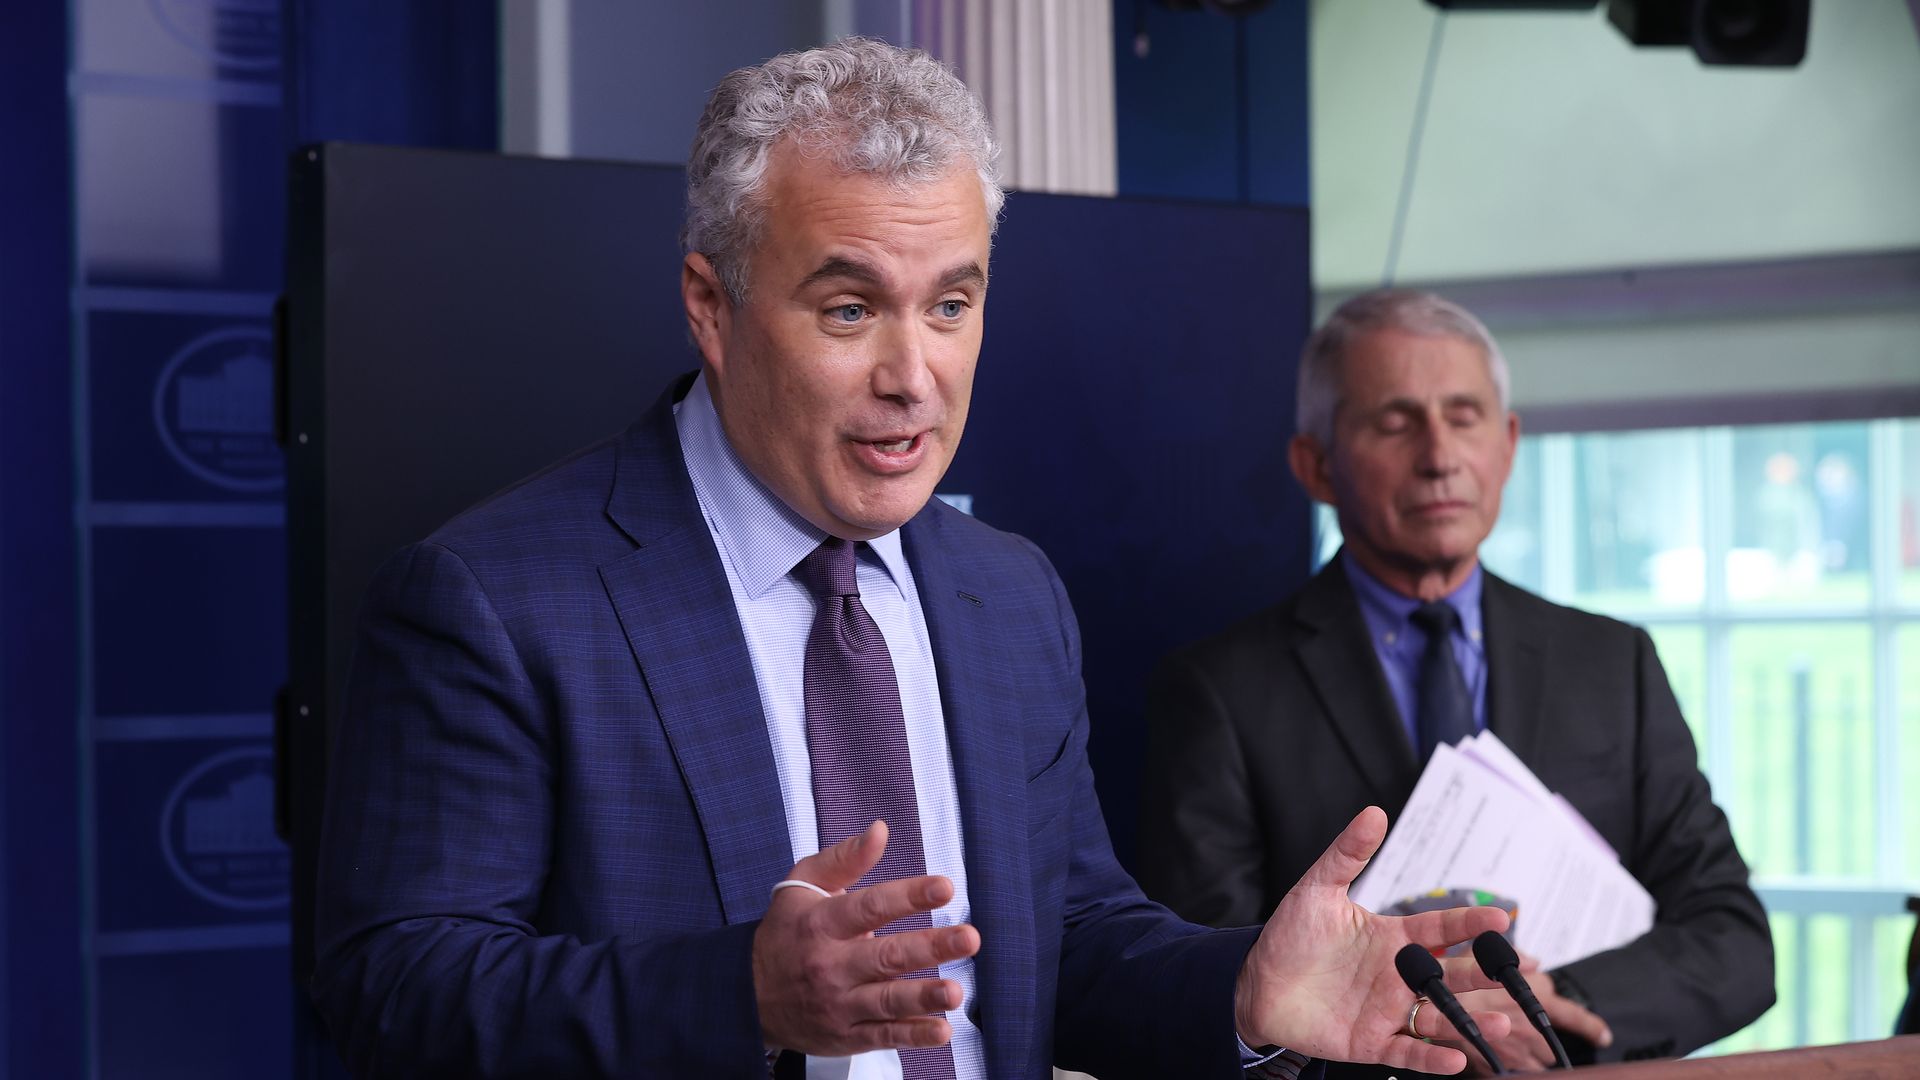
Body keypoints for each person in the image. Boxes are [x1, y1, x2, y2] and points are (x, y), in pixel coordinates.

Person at [310, 40, 1514, 1080]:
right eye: (849, 310)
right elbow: (393, 991)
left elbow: (1071, 934)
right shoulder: (496, 598)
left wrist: (1244, 991)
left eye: (951, 305)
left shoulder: (1007, 592)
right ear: (710, 305)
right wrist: (745, 995)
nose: (913, 375)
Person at [1137, 288, 1776, 1073]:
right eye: (1396, 422)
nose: (1440, 455)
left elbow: (1734, 939)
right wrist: (1425, 1026)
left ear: (1507, 444)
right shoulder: (1219, 690)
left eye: (1465, 416)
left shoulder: (1612, 663)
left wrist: (1546, 1004)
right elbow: (1210, 987)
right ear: (1316, 465)